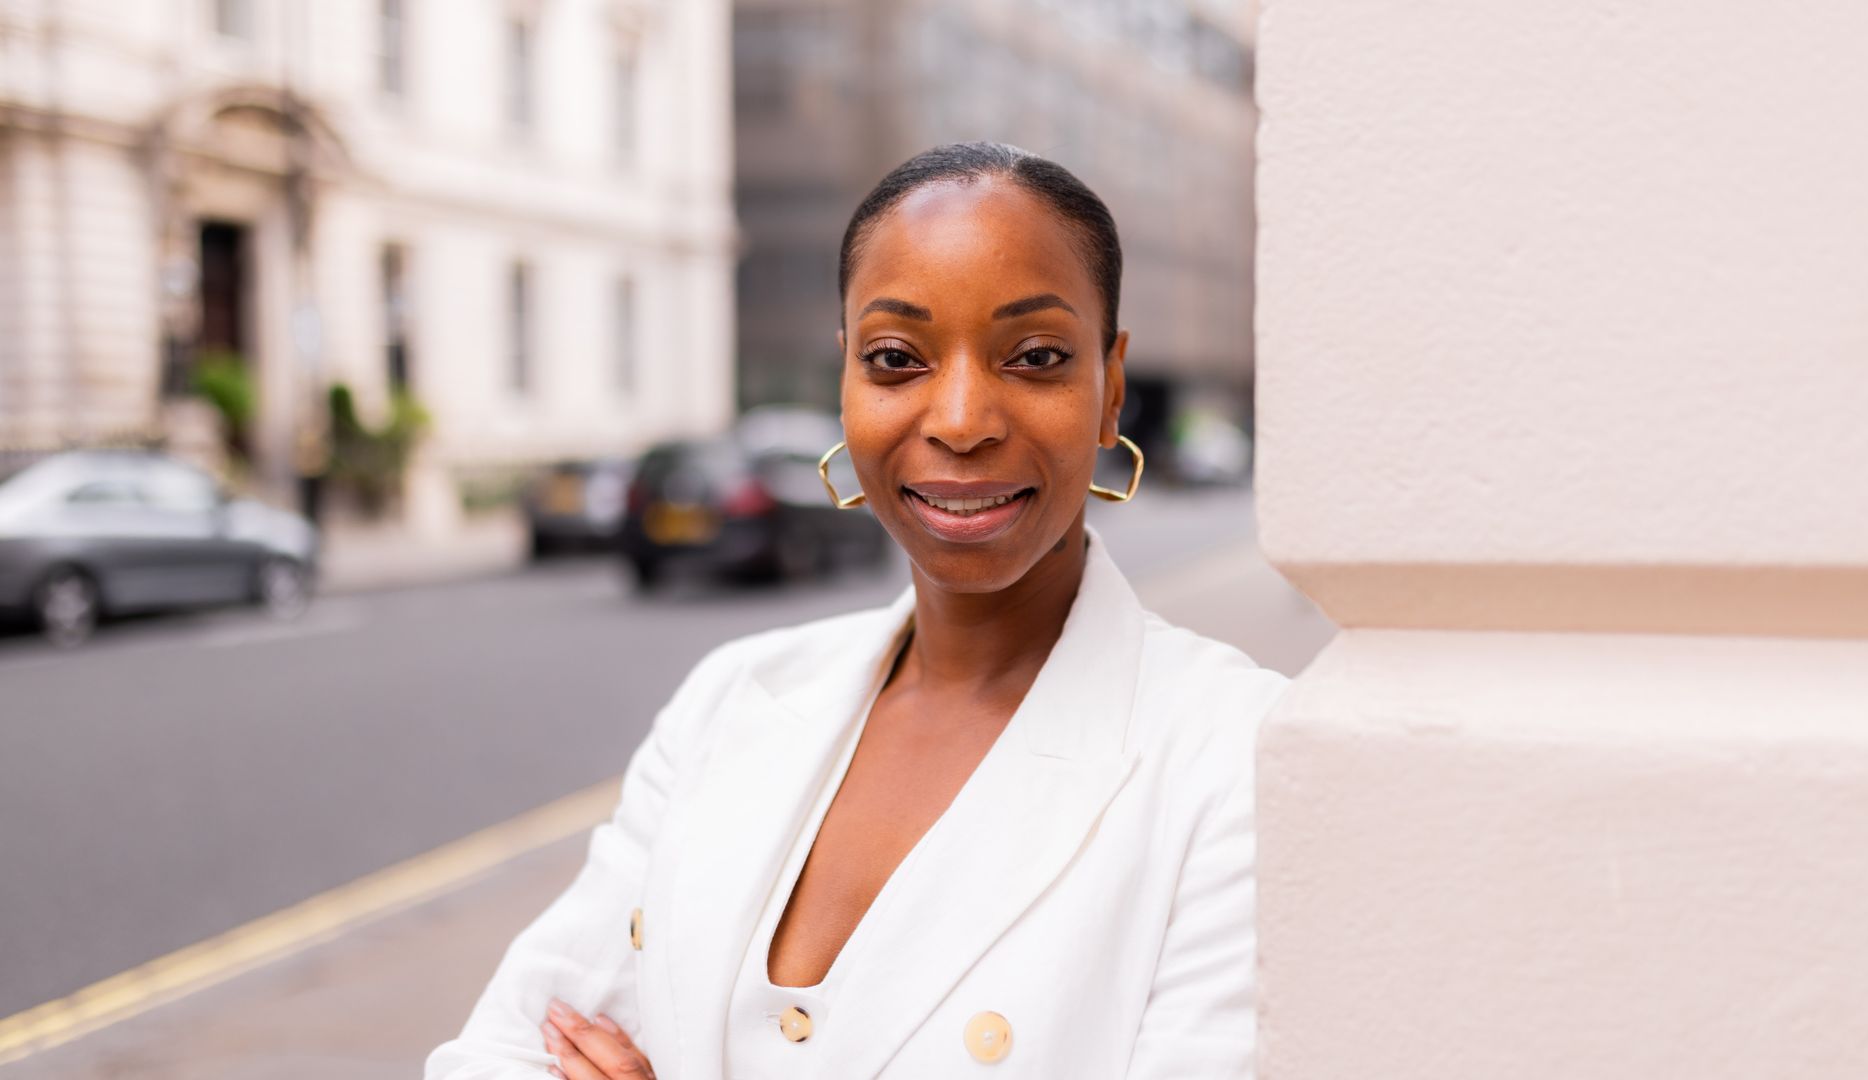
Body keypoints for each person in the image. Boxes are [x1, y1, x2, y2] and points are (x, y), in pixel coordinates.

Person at [424, 142, 1288, 1080]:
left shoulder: (1239, 753)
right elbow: (502, 1052)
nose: (961, 419)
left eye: (1035, 357)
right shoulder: (732, 698)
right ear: (846, 380)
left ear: (1110, 384)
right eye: (896, 358)